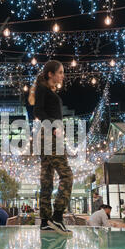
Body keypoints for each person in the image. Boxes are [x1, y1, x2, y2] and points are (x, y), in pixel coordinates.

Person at [31, 60, 73, 236]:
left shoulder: (48, 90)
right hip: (49, 135)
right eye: (60, 72)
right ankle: (57, 217)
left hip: (47, 136)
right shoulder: (42, 88)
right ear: (50, 74)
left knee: (47, 180)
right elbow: (38, 111)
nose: (63, 75)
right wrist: (54, 127)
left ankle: (46, 222)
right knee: (67, 175)